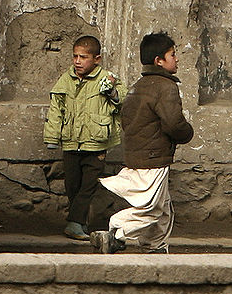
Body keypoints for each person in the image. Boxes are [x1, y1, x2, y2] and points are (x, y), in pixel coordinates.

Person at [90, 31, 194, 254]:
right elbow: (174, 123)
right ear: (159, 60)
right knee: (153, 209)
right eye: (173, 55)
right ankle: (116, 232)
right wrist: (187, 133)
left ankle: (154, 245)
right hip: (154, 156)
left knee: (163, 206)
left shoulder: (140, 85)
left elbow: (127, 118)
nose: (177, 59)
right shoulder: (166, 87)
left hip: (138, 153)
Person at [44, 36, 126, 241]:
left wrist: (112, 93)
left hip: (96, 144)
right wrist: (52, 137)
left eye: (83, 57)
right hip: (71, 142)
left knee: (88, 186)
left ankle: (73, 223)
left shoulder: (107, 79)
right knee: (73, 185)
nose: (77, 61)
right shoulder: (66, 80)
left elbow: (123, 101)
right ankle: (79, 222)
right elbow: (56, 109)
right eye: (75, 56)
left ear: (97, 59)